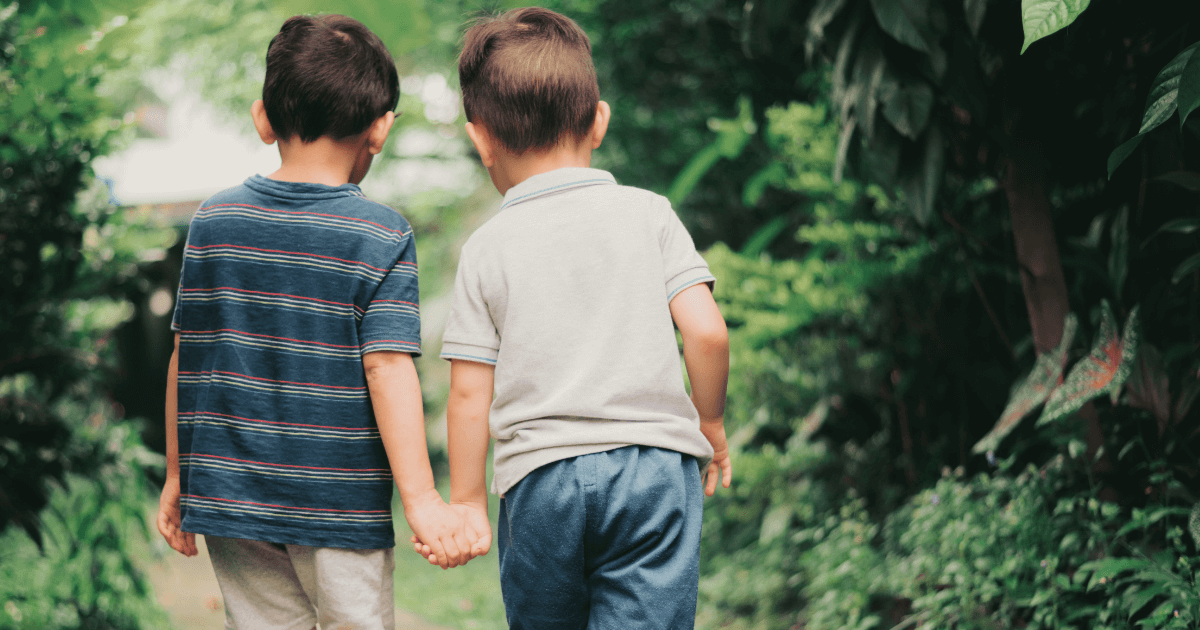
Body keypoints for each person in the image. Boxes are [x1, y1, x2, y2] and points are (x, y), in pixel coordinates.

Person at [155, 14, 486, 630]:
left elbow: (187, 355)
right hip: (339, 502)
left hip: (232, 494)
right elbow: (386, 368)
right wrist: (422, 501)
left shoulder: (213, 223)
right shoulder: (380, 235)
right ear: (380, 128)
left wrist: (178, 474)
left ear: (263, 119)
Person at [419, 7, 733, 628]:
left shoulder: (486, 247)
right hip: (653, 469)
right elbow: (706, 331)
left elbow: (469, 392)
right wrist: (710, 422)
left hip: (541, 481)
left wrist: (468, 503)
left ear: (480, 139)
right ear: (599, 121)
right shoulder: (649, 213)